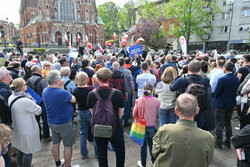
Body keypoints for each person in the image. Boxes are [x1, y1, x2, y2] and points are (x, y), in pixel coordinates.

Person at [152, 93, 214, 167]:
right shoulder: (207, 137)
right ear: (197, 111)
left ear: (176, 111)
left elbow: (154, 152)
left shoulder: (164, 130)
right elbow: (208, 161)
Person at [87, 68, 125, 167]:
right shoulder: (117, 93)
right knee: (120, 151)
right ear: (109, 79)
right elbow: (121, 112)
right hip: (115, 127)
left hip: (99, 127)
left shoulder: (92, 94)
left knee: (102, 153)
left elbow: (92, 111)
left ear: (97, 79)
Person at [42, 70, 76, 167]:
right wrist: (61, 88)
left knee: (55, 142)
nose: (62, 79)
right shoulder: (62, 93)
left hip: (52, 122)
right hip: (64, 122)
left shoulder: (45, 91)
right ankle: (68, 165)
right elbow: (73, 99)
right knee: (68, 145)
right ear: (57, 81)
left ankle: (58, 163)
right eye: (60, 78)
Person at [9, 78, 42, 167]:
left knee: (21, 149)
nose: (26, 86)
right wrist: (30, 99)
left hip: (18, 128)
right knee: (28, 151)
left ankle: (20, 165)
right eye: (24, 84)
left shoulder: (11, 97)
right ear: (21, 87)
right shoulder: (25, 100)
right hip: (27, 129)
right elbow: (38, 110)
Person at [170, 60, 212, 130]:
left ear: (188, 69)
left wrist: (179, 74)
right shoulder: (205, 80)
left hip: (183, 110)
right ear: (200, 69)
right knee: (198, 129)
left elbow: (172, 87)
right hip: (198, 109)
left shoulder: (182, 80)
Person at [133, 83, 160, 167]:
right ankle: (153, 162)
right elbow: (157, 113)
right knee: (152, 145)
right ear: (152, 90)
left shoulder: (139, 100)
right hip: (151, 125)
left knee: (143, 147)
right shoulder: (157, 101)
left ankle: (143, 163)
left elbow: (134, 113)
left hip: (141, 126)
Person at [214, 62, 240, 149]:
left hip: (221, 104)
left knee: (219, 123)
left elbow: (217, 92)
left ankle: (219, 142)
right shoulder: (236, 78)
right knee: (228, 122)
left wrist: (216, 98)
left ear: (224, 68)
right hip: (231, 103)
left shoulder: (222, 79)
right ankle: (228, 141)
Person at [72, 71, 97, 159]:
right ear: (87, 79)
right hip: (91, 112)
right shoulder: (91, 89)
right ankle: (97, 153)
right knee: (94, 132)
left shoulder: (75, 90)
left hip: (81, 112)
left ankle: (83, 153)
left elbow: (74, 102)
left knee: (83, 133)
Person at [28, 65, 51, 142]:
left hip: (33, 102)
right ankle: (46, 136)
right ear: (38, 71)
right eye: (40, 69)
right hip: (42, 102)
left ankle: (38, 135)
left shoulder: (29, 80)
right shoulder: (42, 80)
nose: (41, 70)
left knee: (36, 120)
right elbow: (46, 92)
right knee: (45, 120)